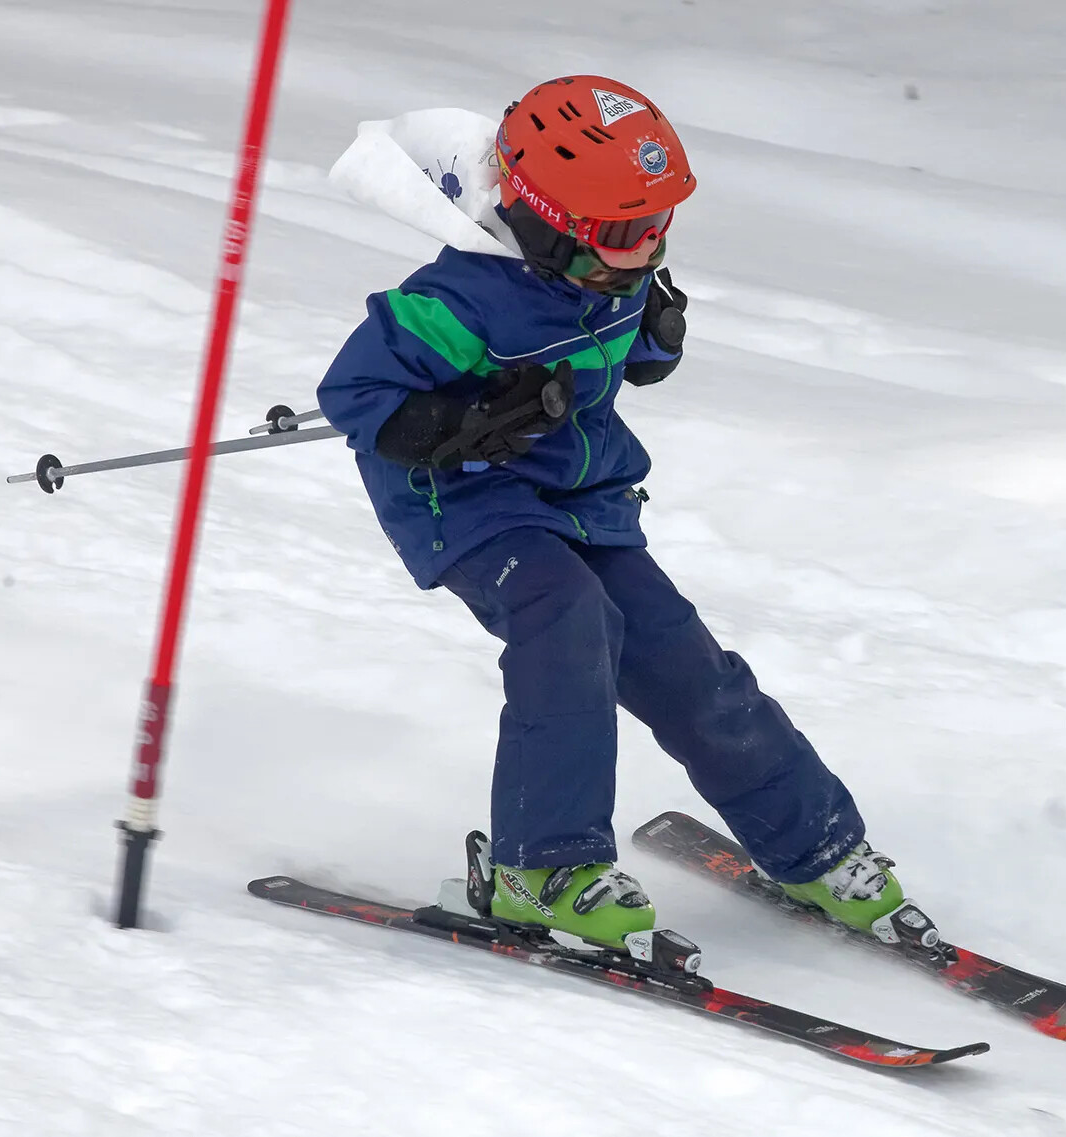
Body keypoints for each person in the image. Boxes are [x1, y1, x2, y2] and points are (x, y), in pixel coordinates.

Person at [318, 75, 923, 952]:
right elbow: (355, 392)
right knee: (567, 620)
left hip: (581, 496)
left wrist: (656, 341)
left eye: (656, 228)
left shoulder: (611, 271)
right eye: (624, 233)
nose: (645, 250)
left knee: (681, 657)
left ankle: (816, 846)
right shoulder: (457, 302)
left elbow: (626, 361)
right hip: (466, 502)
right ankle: (543, 868)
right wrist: (451, 421)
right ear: (543, 218)